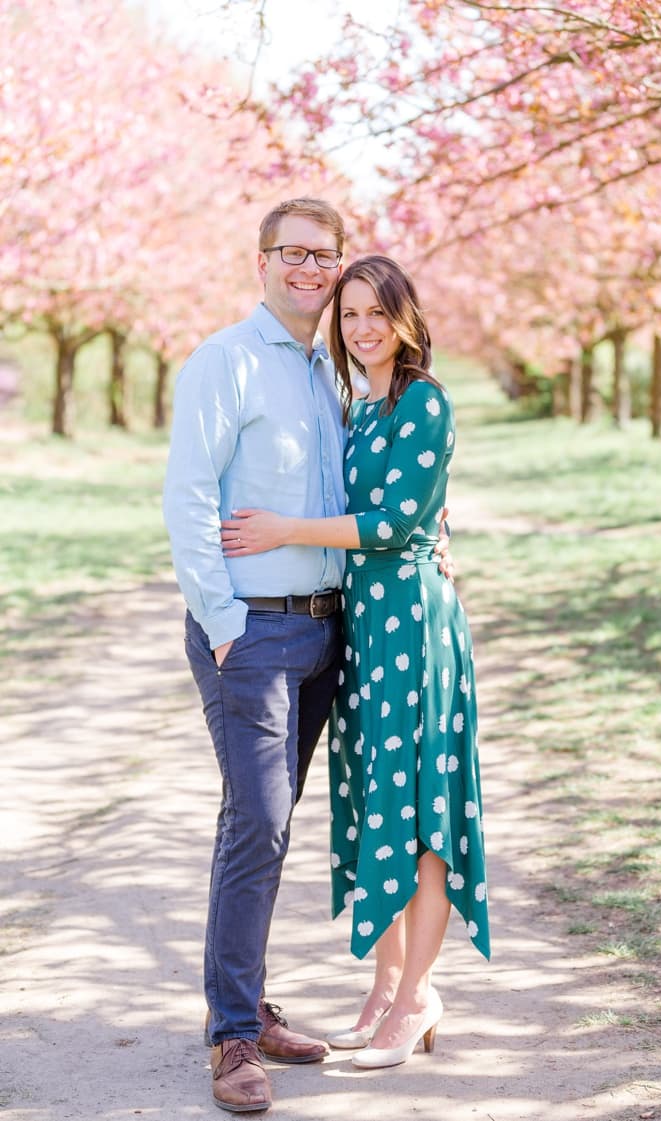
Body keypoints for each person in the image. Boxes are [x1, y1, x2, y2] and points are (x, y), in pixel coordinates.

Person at [221, 254, 490, 1071]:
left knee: (423, 814)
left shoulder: (424, 401)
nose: (363, 327)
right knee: (382, 809)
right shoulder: (359, 407)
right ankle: (384, 989)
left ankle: (418, 997)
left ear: (406, 318)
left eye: (379, 312)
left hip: (414, 627)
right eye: (351, 315)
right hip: (366, 631)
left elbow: (398, 520)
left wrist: (282, 531)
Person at [164, 197, 355, 1113]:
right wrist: (222, 616)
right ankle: (233, 1035)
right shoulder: (225, 361)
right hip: (252, 631)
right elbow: (189, 495)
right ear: (262, 262)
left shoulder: (329, 373)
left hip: (321, 628)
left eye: (325, 255)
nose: (311, 269)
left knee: (262, 821)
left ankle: (247, 1001)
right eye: (294, 253)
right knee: (261, 819)